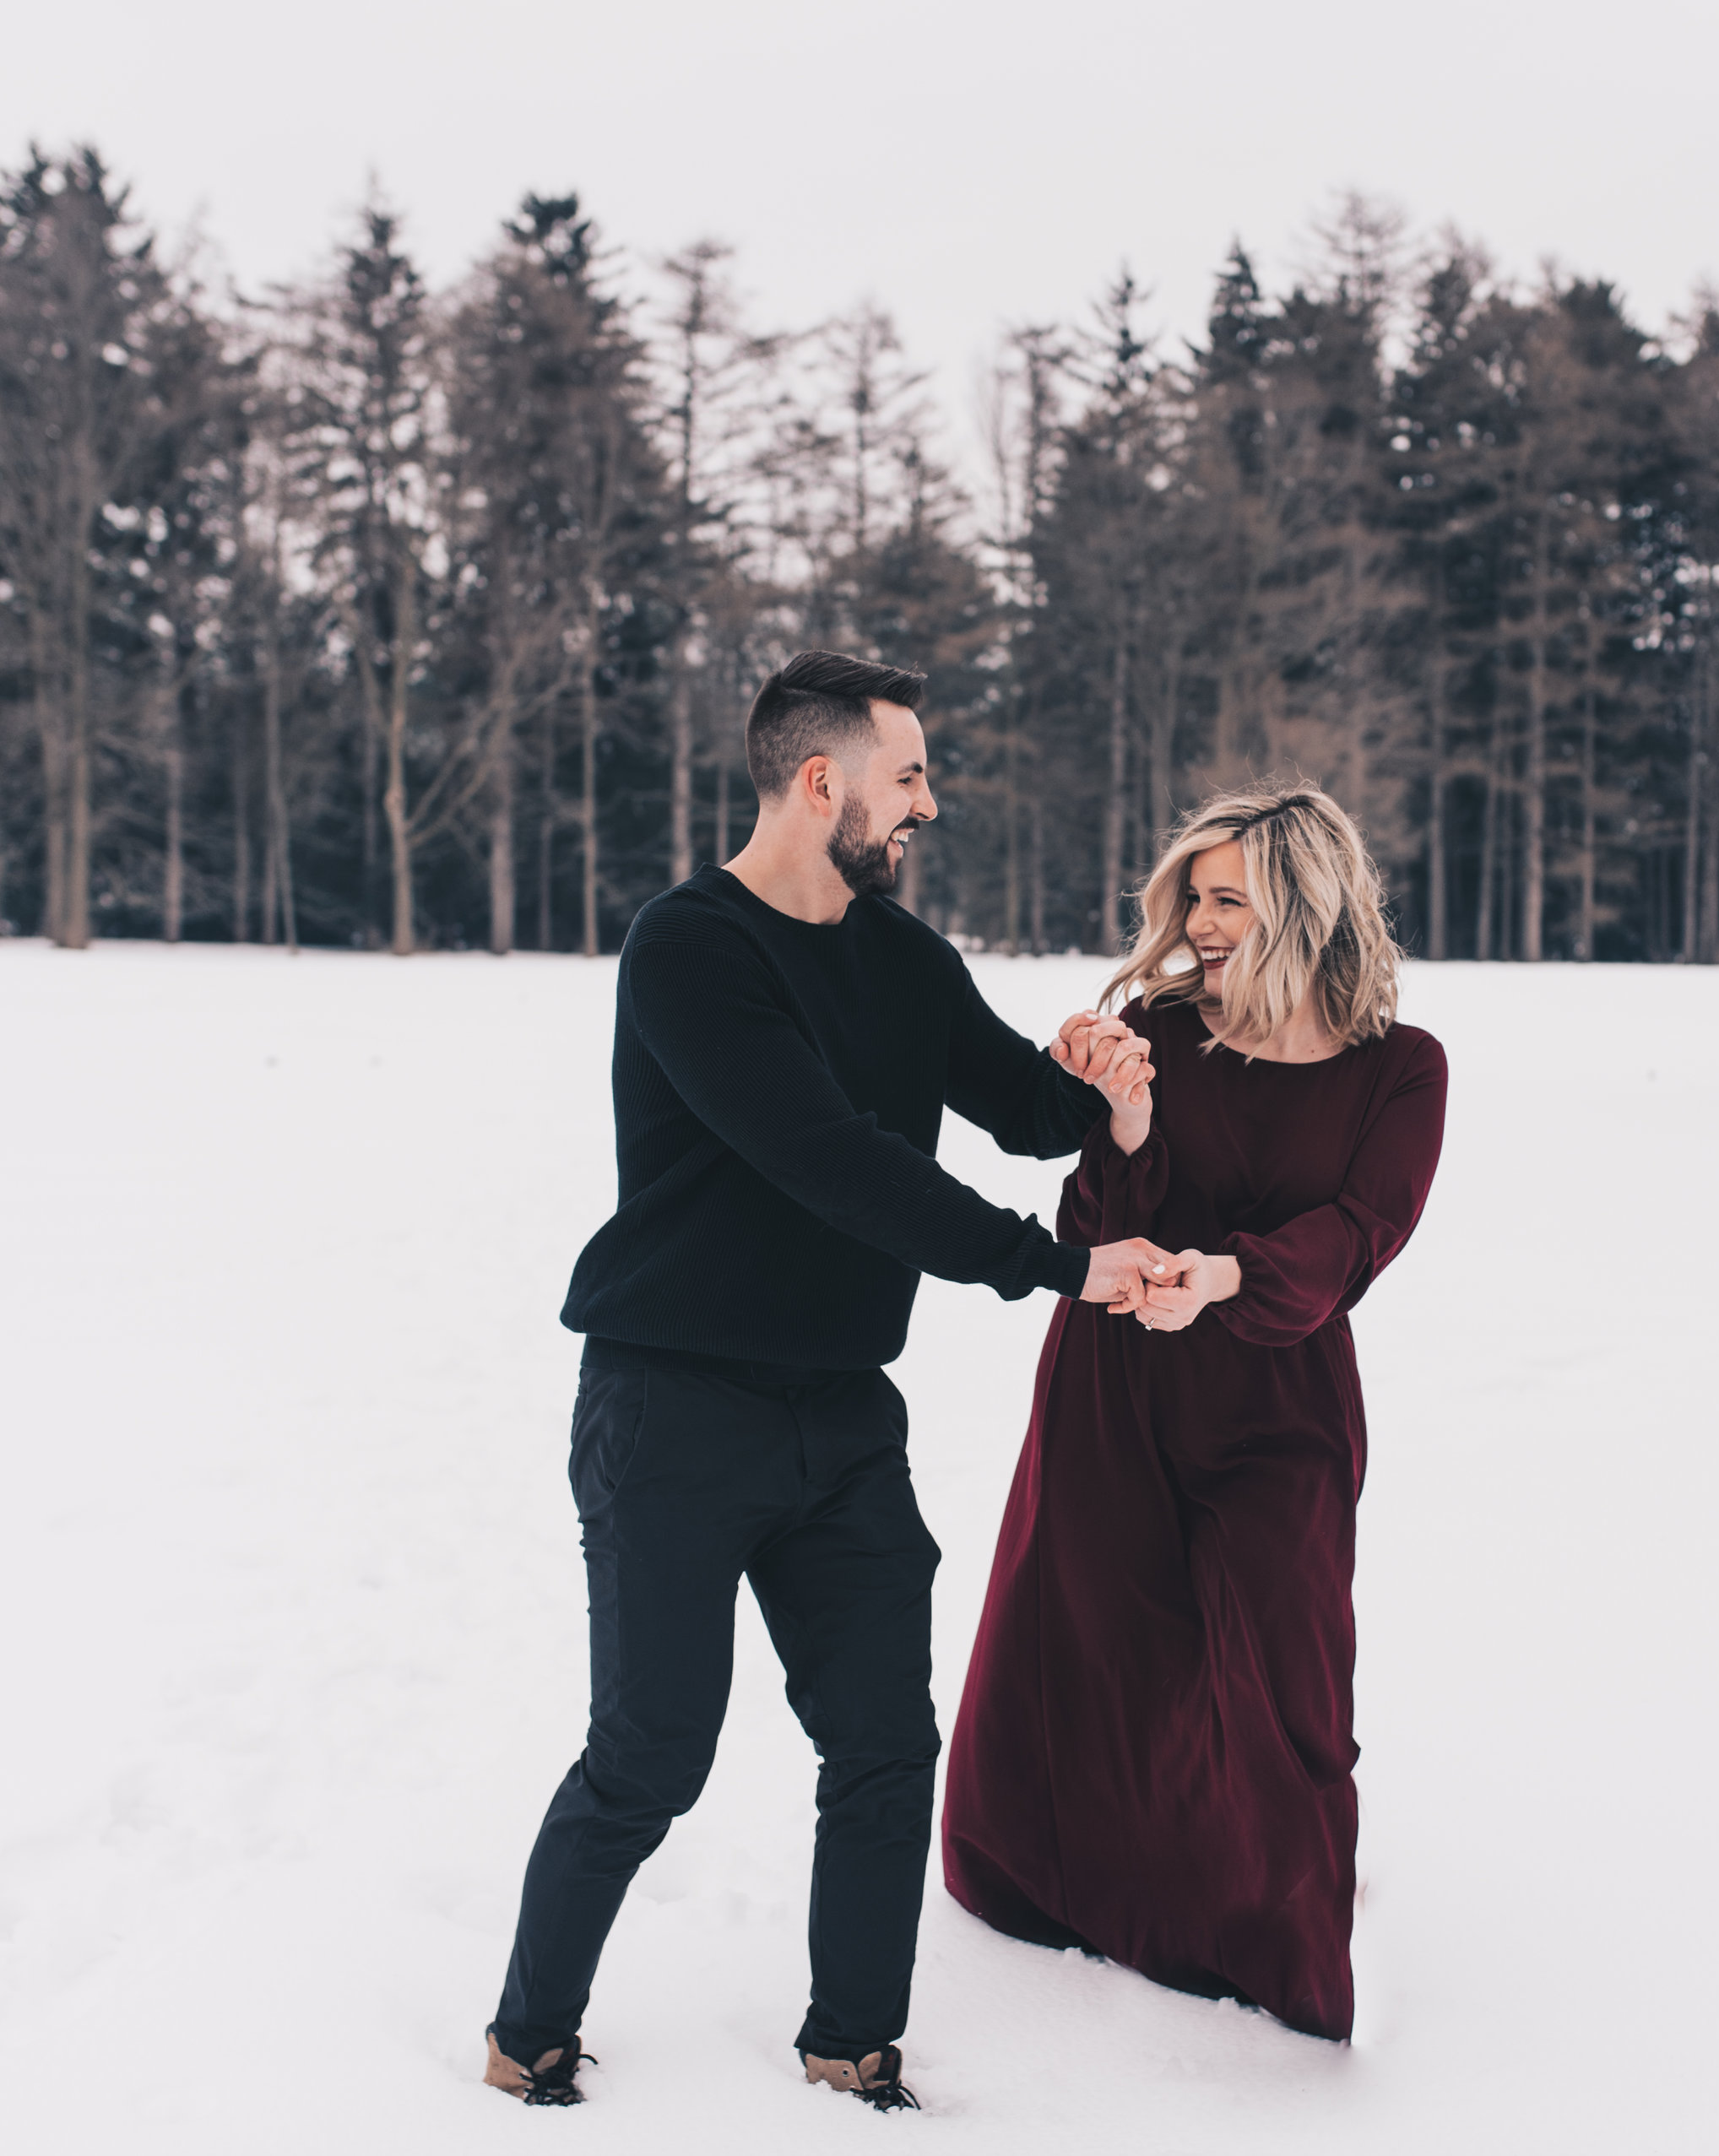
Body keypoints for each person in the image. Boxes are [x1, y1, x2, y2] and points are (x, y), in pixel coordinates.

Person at [484, 650, 1169, 2112]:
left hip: (844, 1422)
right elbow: (832, 1164)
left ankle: (854, 2050)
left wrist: (1104, 1079)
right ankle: (525, 2035)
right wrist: (1058, 1271)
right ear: (822, 782)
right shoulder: (689, 949)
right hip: (673, 1407)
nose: (930, 803)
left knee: (881, 1743)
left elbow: (1021, 1108)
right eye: (910, 775)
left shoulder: (900, 956)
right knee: (651, 1751)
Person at [941, 784, 1448, 2043]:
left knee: (1285, 1670)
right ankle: (1074, 1893)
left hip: (1280, 1393)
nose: (1201, 923)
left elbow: (1360, 1234)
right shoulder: (1157, 1025)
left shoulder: (1400, 1068)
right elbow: (1087, 1227)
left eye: (1230, 898)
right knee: (1100, 1642)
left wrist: (1226, 1278)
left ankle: (1279, 1941)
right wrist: (1124, 1116)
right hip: (1117, 1380)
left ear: (1304, 901)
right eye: (1194, 897)